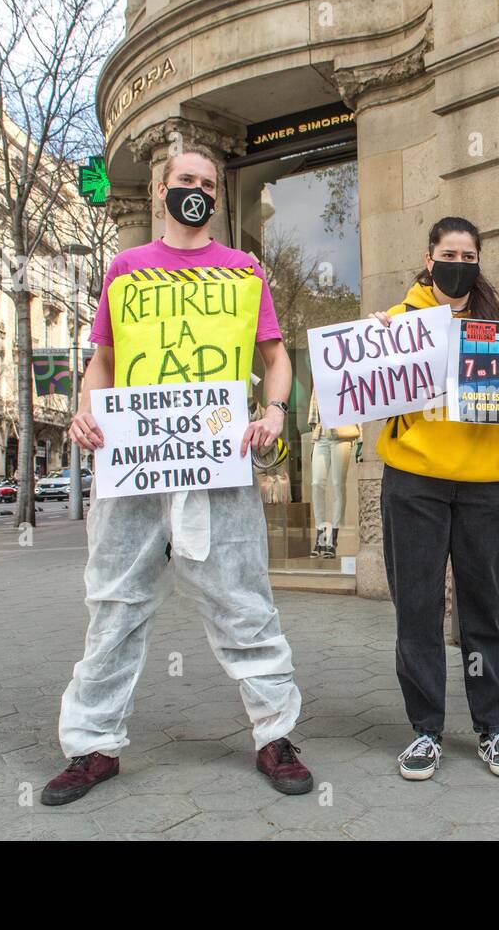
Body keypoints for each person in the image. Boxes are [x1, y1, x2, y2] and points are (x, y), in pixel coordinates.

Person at [43, 147, 312, 805]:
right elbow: (102, 362)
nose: (196, 190)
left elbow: (274, 359)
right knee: (113, 604)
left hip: (217, 465)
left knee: (243, 599)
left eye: (208, 183)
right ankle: (91, 747)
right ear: (162, 188)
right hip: (132, 466)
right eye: (184, 180)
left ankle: (275, 737)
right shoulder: (125, 271)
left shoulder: (244, 271)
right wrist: (84, 411)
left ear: (218, 197)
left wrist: (275, 412)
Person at [370, 215, 499, 781]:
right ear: (429, 255)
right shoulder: (396, 322)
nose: (458, 264)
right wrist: (371, 349)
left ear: (478, 261)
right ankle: (425, 731)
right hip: (415, 482)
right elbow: (367, 392)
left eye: (469, 256)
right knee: (416, 607)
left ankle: (493, 727)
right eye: (449, 254)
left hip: (487, 482)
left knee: (484, 607)